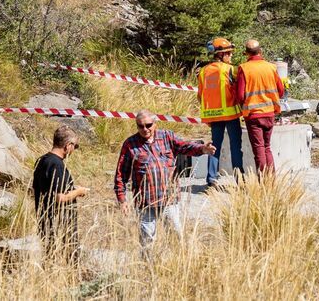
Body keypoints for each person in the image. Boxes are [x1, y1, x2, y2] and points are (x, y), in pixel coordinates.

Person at [114, 111, 215, 249]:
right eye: (140, 126)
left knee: (176, 236)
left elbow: (185, 146)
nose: (145, 129)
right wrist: (122, 199)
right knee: (147, 241)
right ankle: (148, 267)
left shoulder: (167, 137)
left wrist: (202, 149)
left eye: (148, 125)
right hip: (145, 202)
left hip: (169, 199)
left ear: (155, 123)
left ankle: (177, 265)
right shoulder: (130, 144)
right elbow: (121, 173)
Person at [32, 125, 87, 262]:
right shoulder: (56, 164)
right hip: (59, 224)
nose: (74, 150)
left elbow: (48, 188)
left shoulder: (42, 160)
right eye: (75, 146)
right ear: (68, 145)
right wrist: (79, 192)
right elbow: (60, 197)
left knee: (50, 257)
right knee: (67, 259)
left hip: (45, 220)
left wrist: (72, 188)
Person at [198, 37, 243, 187]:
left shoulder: (203, 71)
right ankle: (239, 179)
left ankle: (211, 179)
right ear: (220, 55)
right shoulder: (230, 69)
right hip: (230, 114)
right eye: (228, 53)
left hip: (213, 116)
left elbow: (200, 96)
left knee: (214, 147)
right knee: (235, 146)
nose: (231, 55)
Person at [235, 39, 284, 173]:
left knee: (259, 149)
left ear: (246, 53)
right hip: (270, 114)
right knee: (267, 147)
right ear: (260, 51)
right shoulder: (271, 67)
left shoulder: (244, 68)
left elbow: (240, 95)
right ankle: (271, 180)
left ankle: (263, 181)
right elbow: (281, 90)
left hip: (253, 115)